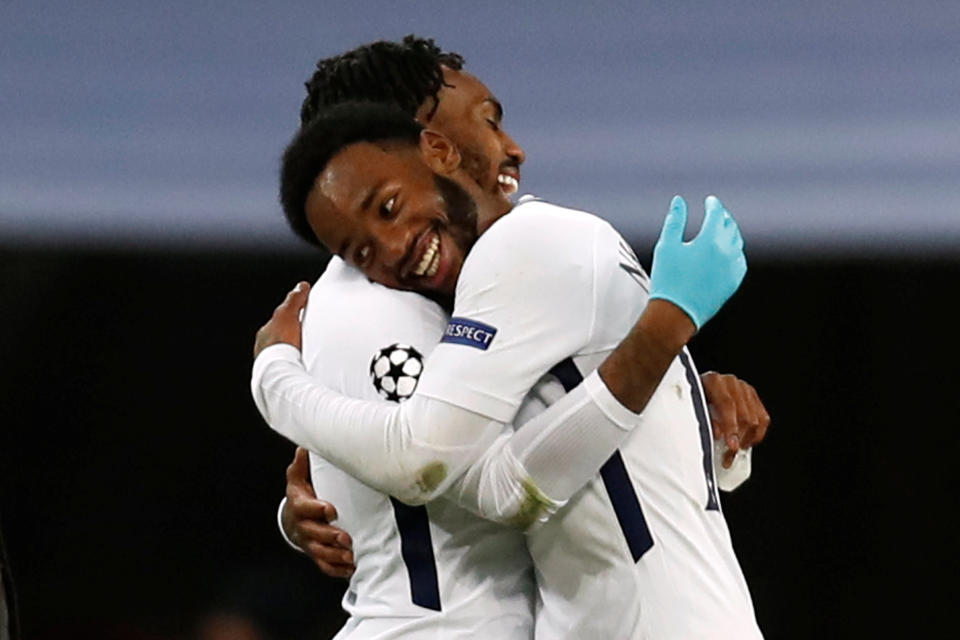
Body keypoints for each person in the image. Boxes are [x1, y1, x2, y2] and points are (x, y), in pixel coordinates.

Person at [252, 101, 761, 637]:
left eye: (391, 208)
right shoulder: (426, 289)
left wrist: (273, 376)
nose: (509, 149)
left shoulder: (517, 250)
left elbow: (445, 466)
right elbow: (461, 471)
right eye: (360, 251)